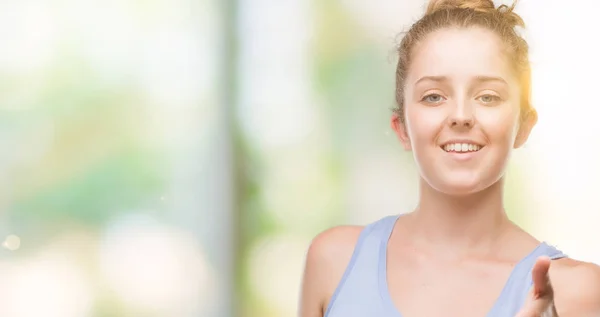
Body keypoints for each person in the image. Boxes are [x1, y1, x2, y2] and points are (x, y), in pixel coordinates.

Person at [298, 0, 600, 316]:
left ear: (523, 126)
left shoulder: (575, 290)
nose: (460, 116)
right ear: (402, 128)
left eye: (488, 97)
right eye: (433, 96)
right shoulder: (333, 261)